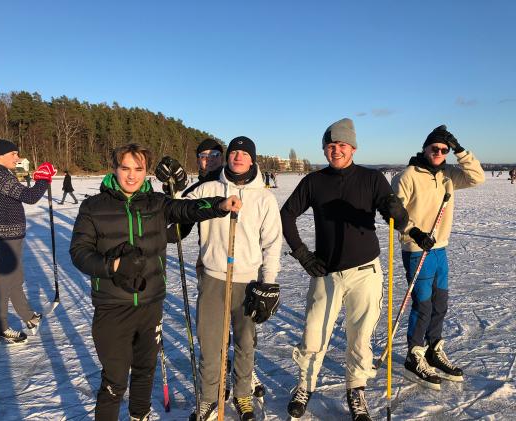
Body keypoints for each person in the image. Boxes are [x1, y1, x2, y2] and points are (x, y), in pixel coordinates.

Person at [69, 143, 241, 421]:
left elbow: (188, 210)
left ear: (146, 171)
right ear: (115, 168)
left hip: (150, 303)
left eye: (138, 169)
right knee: (114, 380)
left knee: (145, 369)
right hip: (113, 306)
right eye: (125, 168)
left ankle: (140, 415)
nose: (132, 176)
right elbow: (79, 253)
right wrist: (111, 265)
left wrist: (219, 206)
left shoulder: (157, 203)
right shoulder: (93, 207)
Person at [280, 118, 408, 420]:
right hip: (325, 272)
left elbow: (398, 221)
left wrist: (397, 213)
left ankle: (356, 389)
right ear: (325, 149)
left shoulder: (372, 179)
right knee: (314, 333)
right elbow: (286, 216)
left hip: (365, 272)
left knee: (360, 336)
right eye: (330, 145)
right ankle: (305, 385)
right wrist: (302, 255)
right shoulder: (314, 181)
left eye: (341, 145)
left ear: (352, 147)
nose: (335, 150)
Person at [184, 136, 282, 421]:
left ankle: (242, 395)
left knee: (245, 342)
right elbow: (178, 209)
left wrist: (269, 281)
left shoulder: (264, 197)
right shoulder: (209, 188)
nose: (238, 157)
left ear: (253, 160)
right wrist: (175, 188)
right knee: (211, 344)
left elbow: (273, 243)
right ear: (227, 158)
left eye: (244, 153)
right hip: (214, 277)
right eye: (234, 152)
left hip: (248, 280)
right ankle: (209, 398)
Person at [391, 125, 485, 389]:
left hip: (440, 248)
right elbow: (394, 213)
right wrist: (415, 232)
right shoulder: (407, 176)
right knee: (423, 305)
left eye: (444, 150)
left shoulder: (448, 174)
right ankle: (414, 354)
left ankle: (434, 348)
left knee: (440, 303)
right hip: (416, 249)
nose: (439, 153)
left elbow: (477, 178)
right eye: (435, 148)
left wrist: (460, 150)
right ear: (425, 148)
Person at [0, 139, 56, 345]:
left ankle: (28, 316)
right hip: (6, 237)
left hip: (2, 234)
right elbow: (29, 196)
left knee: (15, 278)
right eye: (14, 154)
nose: (17, 158)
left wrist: (40, 180)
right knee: (5, 282)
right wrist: (44, 180)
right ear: (0, 156)